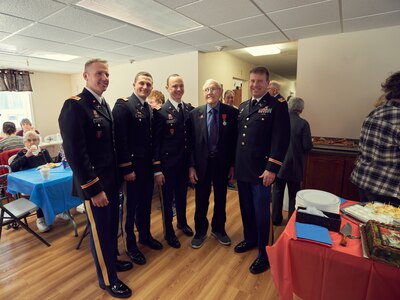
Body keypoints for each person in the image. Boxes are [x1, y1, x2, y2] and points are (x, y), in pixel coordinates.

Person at [58, 58, 132, 298]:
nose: (104, 78)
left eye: (107, 74)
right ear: (86, 76)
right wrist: (94, 189)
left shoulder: (102, 104)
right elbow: (76, 155)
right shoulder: (74, 105)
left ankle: (111, 261)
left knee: (110, 229)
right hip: (95, 187)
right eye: (99, 74)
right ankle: (108, 280)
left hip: (110, 182)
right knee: (100, 232)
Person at [234, 67, 290, 274]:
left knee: (261, 214)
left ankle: (264, 253)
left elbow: (281, 139)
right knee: (246, 209)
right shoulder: (242, 106)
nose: (255, 85)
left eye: (259, 81)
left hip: (261, 172)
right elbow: (239, 139)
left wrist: (272, 168)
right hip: (242, 169)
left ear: (267, 83)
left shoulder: (277, 106)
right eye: (252, 81)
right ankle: (250, 239)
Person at [112, 71, 163, 266]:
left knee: (145, 205)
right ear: (134, 84)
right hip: (131, 168)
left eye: (149, 84)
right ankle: (130, 245)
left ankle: (145, 236)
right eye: (142, 83)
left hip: (146, 167)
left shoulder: (148, 109)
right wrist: (126, 169)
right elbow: (120, 141)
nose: (145, 87)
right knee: (129, 208)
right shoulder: (123, 106)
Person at [189, 79, 238, 249]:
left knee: (221, 198)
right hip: (201, 164)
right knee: (201, 199)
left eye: (213, 89)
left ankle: (218, 229)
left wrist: (232, 165)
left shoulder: (231, 113)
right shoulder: (195, 114)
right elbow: (190, 143)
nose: (209, 92)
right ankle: (200, 231)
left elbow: (234, 142)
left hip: (222, 164)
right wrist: (191, 166)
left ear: (220, 90)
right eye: (206, 89)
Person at [152, 74, 193, 248]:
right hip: (168, 166)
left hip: (183, 165)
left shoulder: (188, 109)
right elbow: (155, 143)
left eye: (181, 86)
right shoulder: (160, 112)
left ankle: (182, 223)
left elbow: (189, 140)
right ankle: (168, 232)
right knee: (168, 202)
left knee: (182, 197)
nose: (178, 89)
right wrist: (157, 169)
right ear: (167, 88)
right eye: (174, 86)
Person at [350, 71, 400, 206]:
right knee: (383, 226)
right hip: (388, 188)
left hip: (365, 181)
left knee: (368, 223)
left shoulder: (375, 112)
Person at [271, 97, 313, 225]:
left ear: (289, 106)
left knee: (277, 192)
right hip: (295, 165)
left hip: (278, 164)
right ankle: (291, 221)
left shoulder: (278, 121)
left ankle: (276, 219)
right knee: (294, 195)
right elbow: (307, 146)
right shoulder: (303, 124)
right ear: (300, 109)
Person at [10, 130, 53, 232]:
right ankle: (40, 219)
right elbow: (13, 167)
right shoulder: (23, 153)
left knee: (55, 185)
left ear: (38, 141)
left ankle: (59, 210)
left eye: (34, 140)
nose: (32, 142)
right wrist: (26, 156)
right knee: (40, 189)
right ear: (25, 143)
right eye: (29, 140)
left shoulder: (43, 151)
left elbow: (51, 164)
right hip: (30, 183)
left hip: (44, 178)